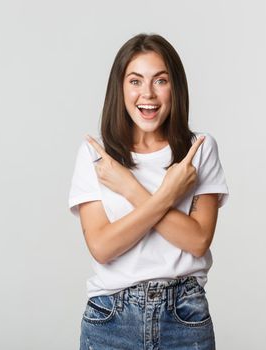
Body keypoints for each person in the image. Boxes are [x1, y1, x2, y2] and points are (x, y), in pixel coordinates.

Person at [68, 33, 229, 350]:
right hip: (110, 317)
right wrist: (167, 196)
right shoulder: (97, 156)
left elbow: (197, 241)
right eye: (135, 81)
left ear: (175, 87)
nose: (148, 94)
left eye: (160, 81)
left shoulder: (198, 149)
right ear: (121, 88)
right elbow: (102, 247)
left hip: (184, 315)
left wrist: (130, 187)